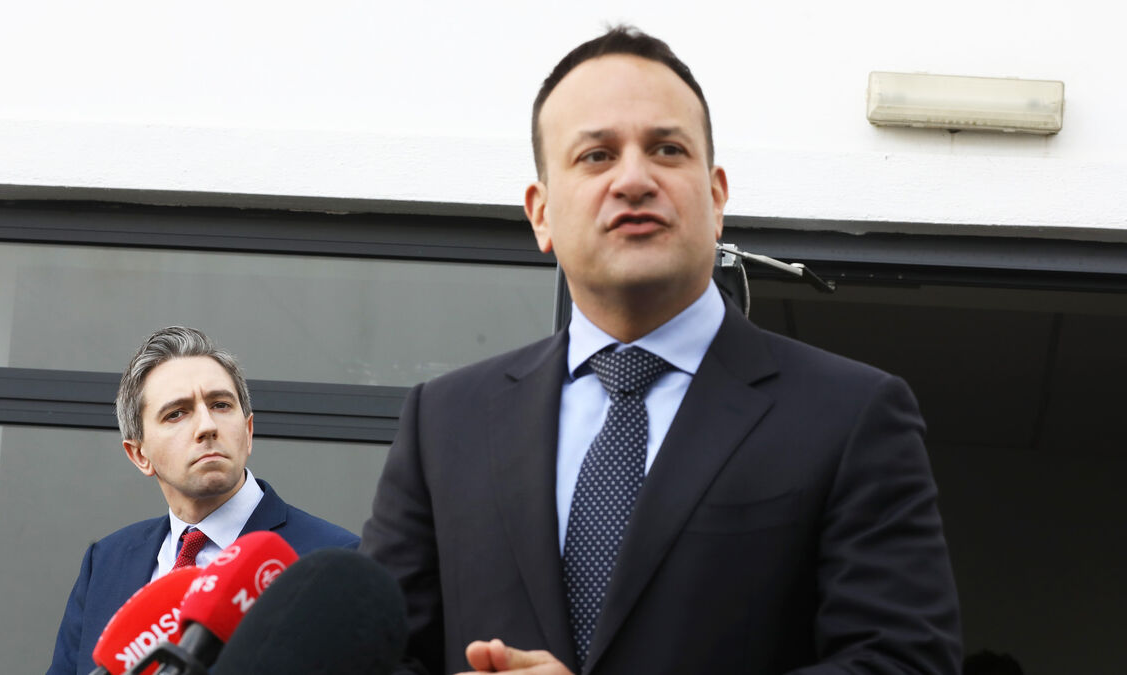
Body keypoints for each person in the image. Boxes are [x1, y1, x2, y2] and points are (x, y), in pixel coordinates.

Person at [361, 26, 962, 675]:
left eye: (667, 150)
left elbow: (903, 661)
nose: (633, 179)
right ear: (540, 213)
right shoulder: (445, 422)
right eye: (596, 155)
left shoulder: (850, 415)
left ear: (716, 197)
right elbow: (377, 656)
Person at [48, 326, 359, 675]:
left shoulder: (335, 561)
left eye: (221, 405)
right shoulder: (105, 564)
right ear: (139, 455)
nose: (207, 426)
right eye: (176, 413)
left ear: (248, 432)